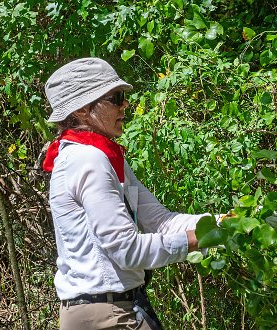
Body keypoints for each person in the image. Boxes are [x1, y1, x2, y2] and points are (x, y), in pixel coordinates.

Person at [42, 58, 212, 330]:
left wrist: (223, 224)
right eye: (116, 97)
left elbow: (161, 221)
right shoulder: (88, 160)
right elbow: (127, 250)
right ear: (85, 109)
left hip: (108, 310)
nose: (125, 105)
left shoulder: (101, 156)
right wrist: (200, 237)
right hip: (106, 316)